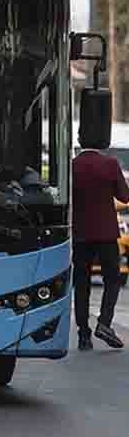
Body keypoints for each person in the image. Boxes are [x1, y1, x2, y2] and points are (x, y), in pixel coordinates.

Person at [73, 135, 129, 350]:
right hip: (106, 234)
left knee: (82, 283)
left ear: (80, 140)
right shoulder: (110, 164)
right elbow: (124, 197)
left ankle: (83, 335)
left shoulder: (72, 166)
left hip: (80, 235)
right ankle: (104, 323)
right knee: (112, 280)